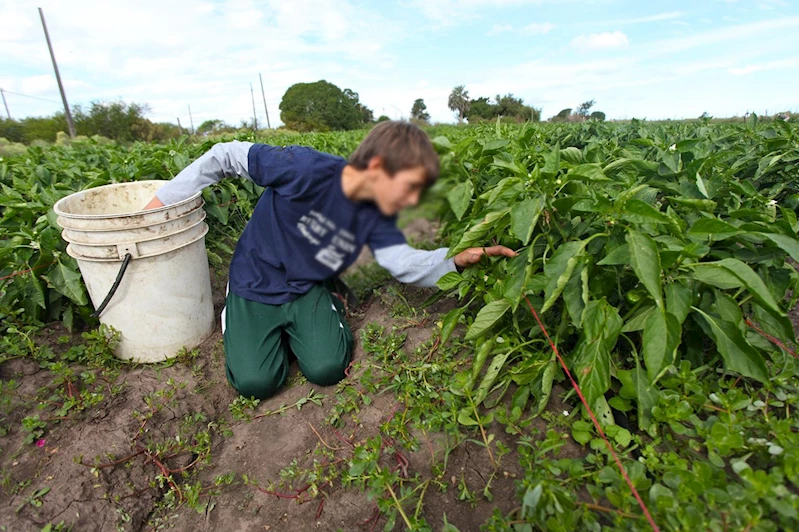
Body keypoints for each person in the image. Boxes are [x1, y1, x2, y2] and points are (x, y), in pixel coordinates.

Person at [144, 121, 516, 399]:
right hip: (255, 280)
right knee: (257, 383)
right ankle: (248, 325)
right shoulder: (306, 169)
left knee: (327, 368)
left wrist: (455, 260)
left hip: (306, 286)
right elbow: (225, 155)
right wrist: (164, 202)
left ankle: (316, 313)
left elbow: (402, 262)